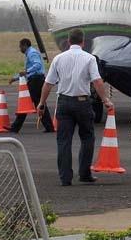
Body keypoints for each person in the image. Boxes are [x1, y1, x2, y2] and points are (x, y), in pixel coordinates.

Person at [37, 28, 113, 186]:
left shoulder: (58, 58)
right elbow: (97, 81)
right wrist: (105, 99)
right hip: (82, 102)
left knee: (64, 141)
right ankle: (84, 173)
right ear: (83, 42)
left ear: (69, 41)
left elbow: (48, 84)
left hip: (63, 102)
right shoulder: (89, 58)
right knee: (87, 137)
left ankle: (65, 177)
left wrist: (41, 103)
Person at [8, 38, 53, 133]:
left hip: (35, 81)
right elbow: (27, 72)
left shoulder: (32, 53)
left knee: (30, 103)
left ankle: (15, 128)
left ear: (25, 45)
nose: (20, 48)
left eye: (20, 46)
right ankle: (49, 127)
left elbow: (37, 65)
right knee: (37, 102)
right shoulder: (31, 53)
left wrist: (26, 71)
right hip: (35, 80)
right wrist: (15, 78)